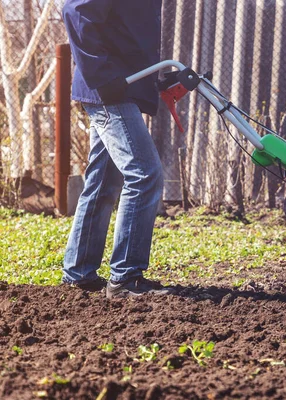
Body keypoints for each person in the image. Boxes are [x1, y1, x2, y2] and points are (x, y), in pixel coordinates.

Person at [61, 0, 173, 298]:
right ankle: (125, 278)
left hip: (120, 87)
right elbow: (76, 11)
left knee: (103, 183)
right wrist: (102, 75)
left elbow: (127, 36)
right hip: (109, 92)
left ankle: (79, 272)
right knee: (145, 174)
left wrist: (156, 81)